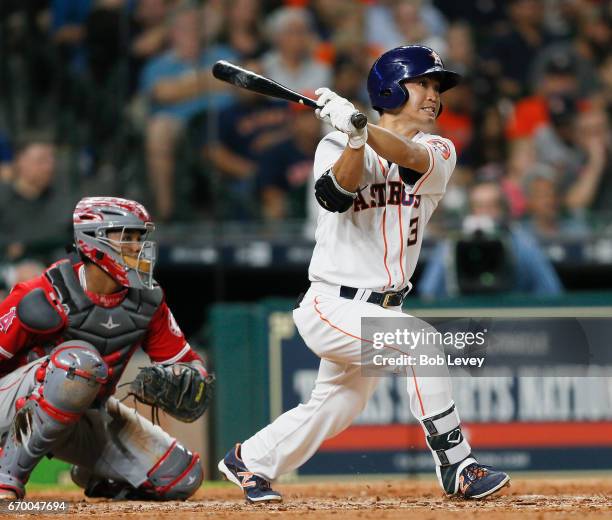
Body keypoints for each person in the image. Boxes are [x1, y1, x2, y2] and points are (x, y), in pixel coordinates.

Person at [218, 45, 509, 503]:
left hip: (383, 307)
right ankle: (458, 466)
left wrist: (361, 128)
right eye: (423, 84)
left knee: (337, 405)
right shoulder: (334, 144)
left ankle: (249, 460)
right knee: (421, 343)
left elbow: (409, 155)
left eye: (438, 87)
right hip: (332, 303)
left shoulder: (440, 149)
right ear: (391, 87)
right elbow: (336, 195)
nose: (434, 95)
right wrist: (353, 139)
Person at [0, 197, 213, 500]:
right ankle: (6, 479)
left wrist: (189, 378)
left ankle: (96, 473)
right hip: (13, 405)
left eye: (139, 237)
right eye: (125, 236)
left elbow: (187, 363)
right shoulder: (43, 291)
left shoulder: (148, 300)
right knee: (78, 365)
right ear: (91, 241)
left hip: (84, 412)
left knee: (181, 477)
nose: (136, 246)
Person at [419, 181, 563, 298]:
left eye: (491, 206)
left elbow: (551, 291)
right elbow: (428, 292)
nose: (485, 213)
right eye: (479, 207)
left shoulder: (521, 242)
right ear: (470, 211)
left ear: (503, 210)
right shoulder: (452, 243)